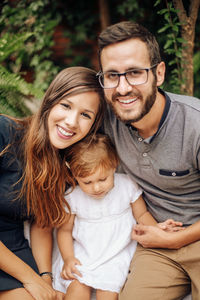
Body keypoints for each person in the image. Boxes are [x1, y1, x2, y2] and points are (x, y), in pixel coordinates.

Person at [97, 21, 200, 300]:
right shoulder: (107, 120)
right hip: (157, 247)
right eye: (112, 76)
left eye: (134, 73)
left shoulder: (196, 124)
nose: (123, 87)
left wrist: (177, 238)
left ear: (159, 73)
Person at [0, 66, 105, 300]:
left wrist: (46, 279)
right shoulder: (5, 133)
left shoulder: (65, 165)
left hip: (14, 251)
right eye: (66, 106)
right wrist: (31, 279)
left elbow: (42, 224)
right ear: (50, 102)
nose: (71, 122)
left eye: (85, 115)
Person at [52, 133, 182, 300]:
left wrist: (157, 229)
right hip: (84, 254)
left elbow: (142, 214)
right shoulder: (73, 197)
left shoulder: (127, 185)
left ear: (114, 165)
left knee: (108, 291)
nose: (96, 187)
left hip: (116, 254)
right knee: (77, 289)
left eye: (102, 179)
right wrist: (69, 258)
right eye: (87, 182)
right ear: (74, 176)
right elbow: (64, 231)